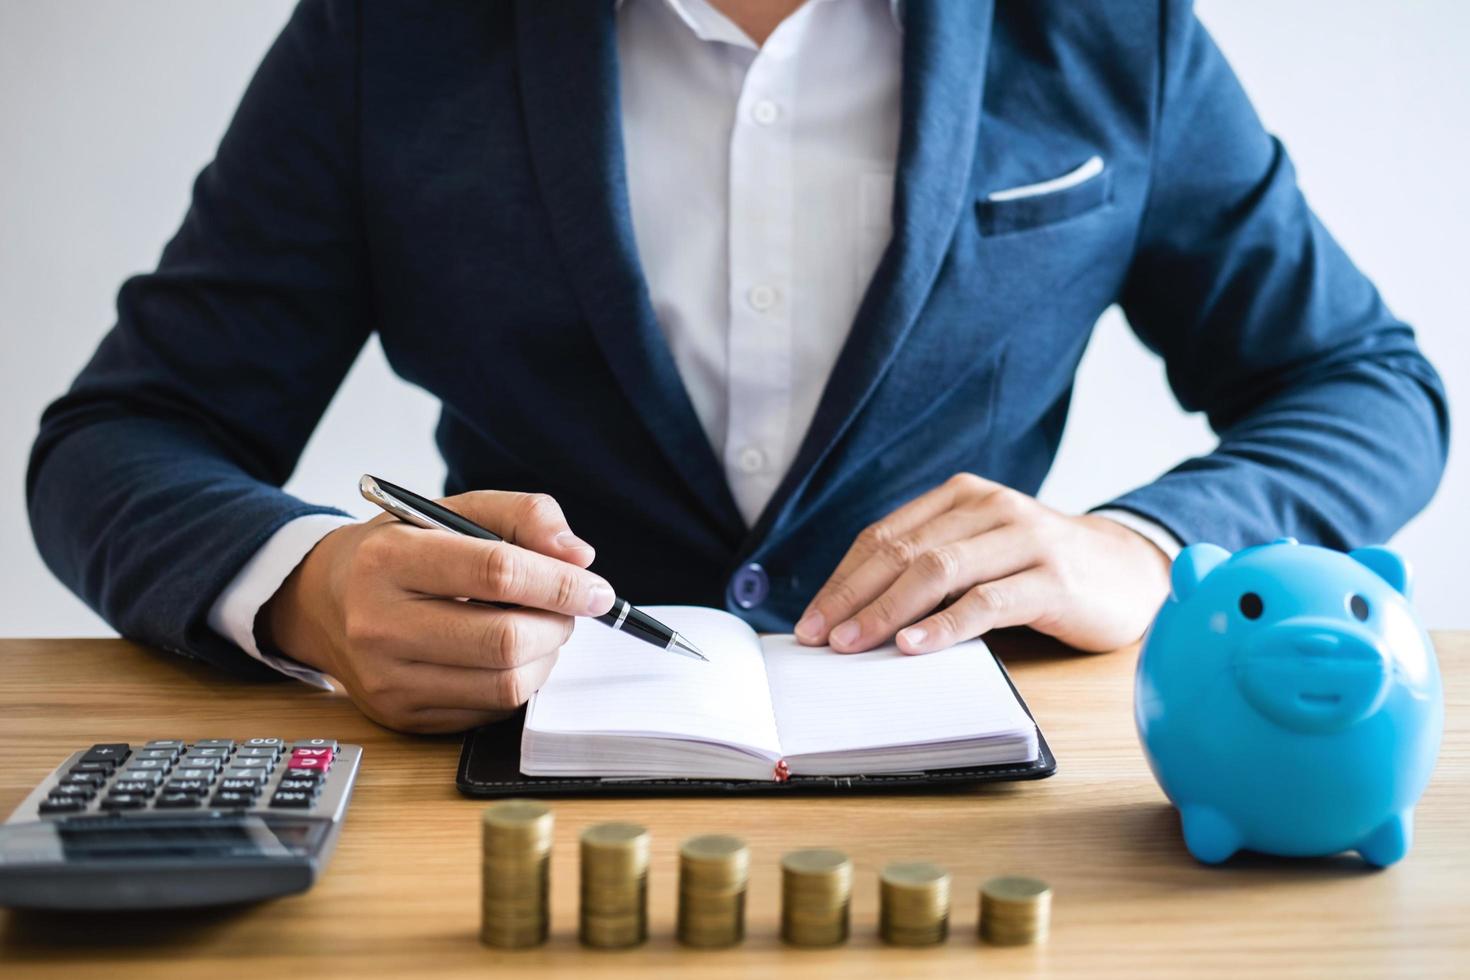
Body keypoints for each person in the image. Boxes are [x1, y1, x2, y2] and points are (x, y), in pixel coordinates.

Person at [28, 0, 1447, 734]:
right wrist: (305, 587)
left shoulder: (1106, 27)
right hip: (489, 817)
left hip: (995, 815)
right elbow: (122, 437)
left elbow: (1362, 383)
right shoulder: (386, 35)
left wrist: (1138, 546)